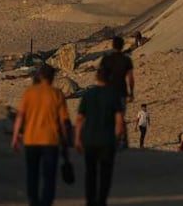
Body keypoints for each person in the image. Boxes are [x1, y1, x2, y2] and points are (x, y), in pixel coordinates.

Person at [12, 64, 70, 206]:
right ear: (52, 77)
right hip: (51, 140)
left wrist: (14, 137)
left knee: (33, 174)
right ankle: (46, 202)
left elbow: (20, 116)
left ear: (39, 76)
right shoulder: (57, 94)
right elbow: (64, 121)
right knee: (49, 175)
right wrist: (65, 140)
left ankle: (33, 201)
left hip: (31, 139)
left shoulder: (29, 93)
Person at [76, 67, 125, 206]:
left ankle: (90, 201)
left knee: (90, 172)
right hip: (107, 141)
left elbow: (80, 118)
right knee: (105, 173)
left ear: (96, 78)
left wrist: (77, 138)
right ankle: (102, 200)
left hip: (90, 140)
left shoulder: (88, 94)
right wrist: (117, 138)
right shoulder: (114, 95)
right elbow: (119, 120)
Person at [99, 36, 135, 147]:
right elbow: (130, 78)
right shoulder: (126, 60)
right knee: (120, 116)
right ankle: (122, 140)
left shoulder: (106, 59)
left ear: (112, 45)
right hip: (121, 92)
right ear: (122, 46)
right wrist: (131, 92)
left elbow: (101, 77)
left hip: (108, 92)